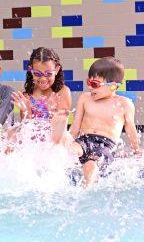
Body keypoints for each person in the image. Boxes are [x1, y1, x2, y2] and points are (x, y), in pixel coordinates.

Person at [51, 56, 142, 187]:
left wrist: (136, 149)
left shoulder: (124, 104)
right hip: (84, 140)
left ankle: (86, 188)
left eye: (95, 84)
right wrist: (68, 139)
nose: (90, 88)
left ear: (113, 86)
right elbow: (75, 127)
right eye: (89, 82)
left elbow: (130, 129)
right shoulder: (85, 98)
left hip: (105, 146)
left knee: (91, 165)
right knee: (67, 149)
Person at [12, 47, 71, 120]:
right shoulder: (27, 94)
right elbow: (26, 128)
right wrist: (27, 111)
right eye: (37, 73)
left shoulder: (62, 92)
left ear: (56, 70)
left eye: (48, 74)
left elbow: (61, 127)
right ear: (31, 70)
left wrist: (51, 111)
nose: (43, 78)